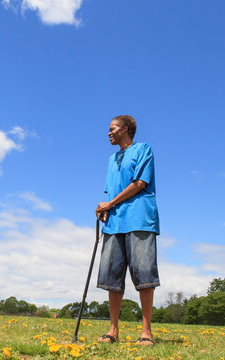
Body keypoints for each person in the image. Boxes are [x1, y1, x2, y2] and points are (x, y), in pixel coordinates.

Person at [95, 115, 160, 346]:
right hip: (115, 223)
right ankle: (113, 330)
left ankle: (146, 332)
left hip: (140, 218)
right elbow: (111, 193)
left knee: (144, 273)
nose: (108, 133)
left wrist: (110, 203)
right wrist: (105, 210)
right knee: (112, 275)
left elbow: (140, 183)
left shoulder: (144, 149)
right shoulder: (111, 159)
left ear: (125, 129)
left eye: (112, 128)